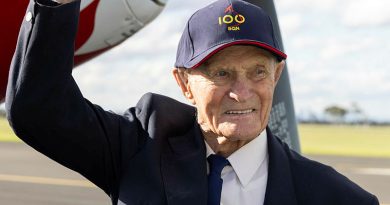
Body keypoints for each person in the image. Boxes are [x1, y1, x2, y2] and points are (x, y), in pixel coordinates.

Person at [5, 0, 379, 204]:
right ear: (183, 83)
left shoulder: (339, 199)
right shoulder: (138, 148)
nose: (241, 91)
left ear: (276, 77)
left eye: (258, 72)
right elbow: (38, 108)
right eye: (221, 74)